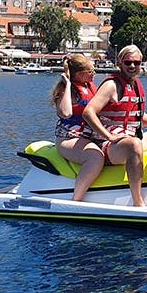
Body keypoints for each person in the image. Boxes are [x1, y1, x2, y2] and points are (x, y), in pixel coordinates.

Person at [82, 44, 147, 207]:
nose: (132, 66)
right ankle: (138, 201)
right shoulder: (111, 85)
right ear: (120, 63)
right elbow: (88, 112)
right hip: (108, 146)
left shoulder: (135, 84)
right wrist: (109, 136)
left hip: (130, 137)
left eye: (136, 63)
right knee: (134, 144)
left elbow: (136, 113)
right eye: (128, 62)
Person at [51, 54, 104, 201]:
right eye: (90, 71)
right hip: (68, 139)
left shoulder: (90, 87)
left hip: (90, 137)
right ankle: (76, 200)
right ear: (79, 74)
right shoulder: (65, 91)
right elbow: (66, 113)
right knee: (95, 157)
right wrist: (68, 85)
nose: (94, 74)